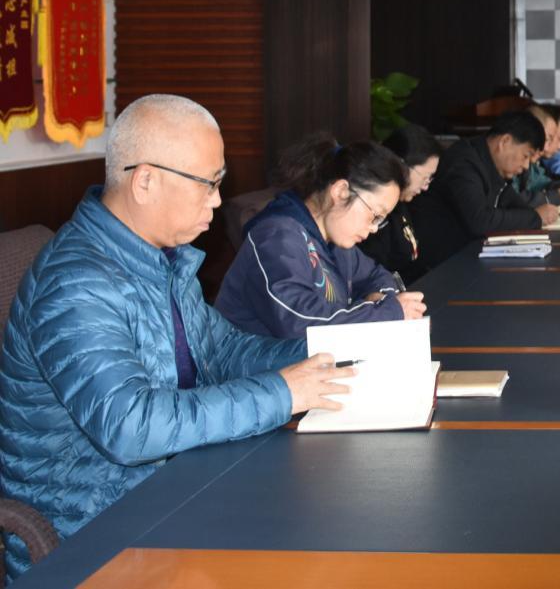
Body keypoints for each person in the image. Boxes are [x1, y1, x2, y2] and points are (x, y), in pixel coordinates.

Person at [0, 95, 353, 577]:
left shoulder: (159, 258)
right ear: (145, 181)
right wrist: (283, 393)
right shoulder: (76, 283)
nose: (217, 201)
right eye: (208, 184)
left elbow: (225, 351)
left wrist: (335, 354)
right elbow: (130, 427)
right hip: (92, 537)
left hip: (169, 496)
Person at [215, 135, 427, 337]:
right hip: (252, 362)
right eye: (375, 215)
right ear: (341, 191)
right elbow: (301, 323)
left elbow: (376, 276)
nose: (374, 228)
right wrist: (387, 311)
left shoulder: (337, 244)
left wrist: (384, 299)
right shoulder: (276, 237)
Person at [413, 110, 554, 267]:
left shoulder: (489, 163)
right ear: (505, 141)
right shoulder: (464, 162)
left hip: (463, 258)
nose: (526, 166)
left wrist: (534, 216)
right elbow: (480, 220)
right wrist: (535, 217)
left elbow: (514, 204)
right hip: (438, 266)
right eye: (526, 156)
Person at [360, 123, 443, 281]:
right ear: (400, 165)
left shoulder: (403, 204)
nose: (426, 186)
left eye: (430, 179)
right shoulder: (371, 211)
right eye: (425, 177)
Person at [515, 105, 560, 208]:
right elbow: (511, 200)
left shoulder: (531, 165)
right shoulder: (512, 161)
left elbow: (541, 182)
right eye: (549, 138)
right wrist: (556, 197)